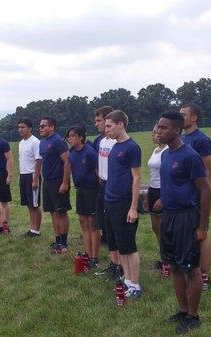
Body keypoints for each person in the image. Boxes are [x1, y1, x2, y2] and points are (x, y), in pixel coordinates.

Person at [157, 112, 211, 334]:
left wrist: (202, 227)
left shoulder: (190, 156)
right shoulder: (165, 155)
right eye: (159, 127)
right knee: (175, 267)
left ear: (177, 130)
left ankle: (193, 315)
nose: (159, 131)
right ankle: (182, 310)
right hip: (168, 217)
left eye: (163, 128)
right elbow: (171, 181)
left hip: (186, 218)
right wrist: (163, 198)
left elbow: (206, 192)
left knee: (191, 269)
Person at [103, 110, 142, 299]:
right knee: (120, 244)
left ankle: (135, 284)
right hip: (110, 201)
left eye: (109, 126)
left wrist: (133, 207)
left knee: (129, 244)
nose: (106, 129)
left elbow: (136, 178)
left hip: (124, 203)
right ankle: (127, 280)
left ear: (121, 124)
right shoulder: (114, 146)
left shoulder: (132, 147)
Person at [180, 103, 211, 291]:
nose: (181, 117)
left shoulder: (201, 140)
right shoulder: (183, 137)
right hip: (185, 195)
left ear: (194, 118)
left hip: (198, 194)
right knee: (190, 233)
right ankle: (191, 269)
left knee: (202, 234)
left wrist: (206, 194)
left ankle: (205, 276)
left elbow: (207, 171)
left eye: (184, 115)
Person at [92, 106, 123, 280]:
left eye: (99, 120)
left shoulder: (117, 142)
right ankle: (113, 263)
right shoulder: (100, 141)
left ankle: (121, 266)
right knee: (107, 227)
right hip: (103, 186)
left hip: (115, 188)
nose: (96, 124)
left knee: (116, 227)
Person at [66, 125, 100, 268]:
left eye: (73, 136)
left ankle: (94, 257)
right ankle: (87, 252)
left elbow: (98, 171)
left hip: (92, 191)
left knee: (92, 223)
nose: (70, 138)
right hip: (80, 190)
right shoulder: (71, 151)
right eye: (69, 136)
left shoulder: (90, 152)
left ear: (81, 137)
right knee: (83, 222)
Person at [38, 116, 71, 254]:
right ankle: (57, 240)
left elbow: (67, 162)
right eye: (40, 126)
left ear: (52, 127)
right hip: (48, 181)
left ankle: (64, 243)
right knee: (52, 212)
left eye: (43, 126)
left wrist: (65, 182)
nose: (40, 128)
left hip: (58, 181)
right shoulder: (42, 143)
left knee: (61, 212)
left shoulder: (59, 142)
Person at [144, 124, 169, 277]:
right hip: (153, 190)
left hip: (163, 191)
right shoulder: (156, 150)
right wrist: (147, 194)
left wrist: (163, 197)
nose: (152, 135)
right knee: (156, 228)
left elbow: (167, 176)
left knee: (166, 229)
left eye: (155, 133)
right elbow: (153, 174)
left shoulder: (167, 151)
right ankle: (164, 257)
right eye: (152, 132)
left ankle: (170, 261)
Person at [17, 118, 42, 237]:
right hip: (23, 175)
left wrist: (35, 179)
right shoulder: (21, 142)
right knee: (28, 204)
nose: (20, 130)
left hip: (32, 175)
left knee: (34, 205)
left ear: (30, 128)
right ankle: (32, 229)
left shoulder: (35, 142)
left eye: (23, 127)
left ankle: (36, 230)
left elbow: (38, 161)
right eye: (19, 127)